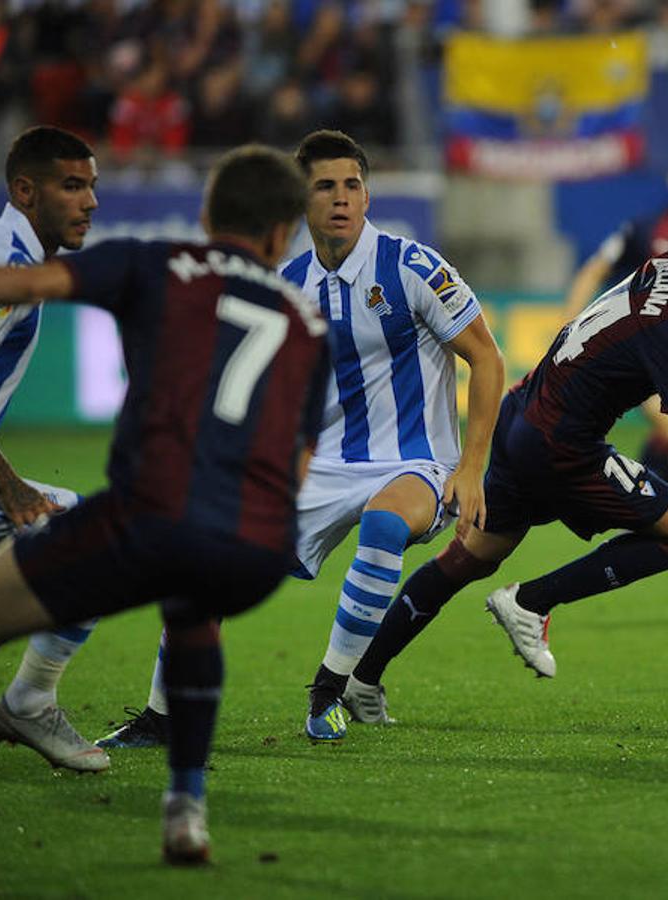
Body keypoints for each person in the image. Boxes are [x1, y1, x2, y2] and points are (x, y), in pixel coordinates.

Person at [0, 144, 326, 865]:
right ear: (281, 237)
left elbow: (34, 282)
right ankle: (185, 812)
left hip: (148, 521)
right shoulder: (306, 320)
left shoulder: (155, 261)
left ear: (206, 216)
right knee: (189, 596)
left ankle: (17, 706)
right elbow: (298, 457)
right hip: (257, 549)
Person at [95, 129, 504, 748]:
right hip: (319, 464)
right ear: (299, 201)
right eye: (325, 187)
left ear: (367, 197)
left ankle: (328, 691)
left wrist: (471, 468)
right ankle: (163, 714)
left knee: (387, 526)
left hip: (416, 460)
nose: (341, 198)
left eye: (353, 185)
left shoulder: (413, 266)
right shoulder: (284, 281)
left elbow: (488, 359)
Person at [346, 218, 668, 698]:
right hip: (562, 447)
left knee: (463, 562)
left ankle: (362, 679)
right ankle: (532, 601)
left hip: (521, 415)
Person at [0, 125, 108, 776]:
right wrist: (11, 489)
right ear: (25, 191)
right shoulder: (8, 262)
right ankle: (29, 702)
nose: (89, 201)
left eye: (92, 185)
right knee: (91, 540)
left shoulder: (2, 249)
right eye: (72, 185)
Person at [561, 142, 668, 486]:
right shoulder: (644, 230)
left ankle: (647, 503)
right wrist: (571, 323)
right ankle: (653, 509)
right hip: (643, 350)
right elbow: (594, 270)